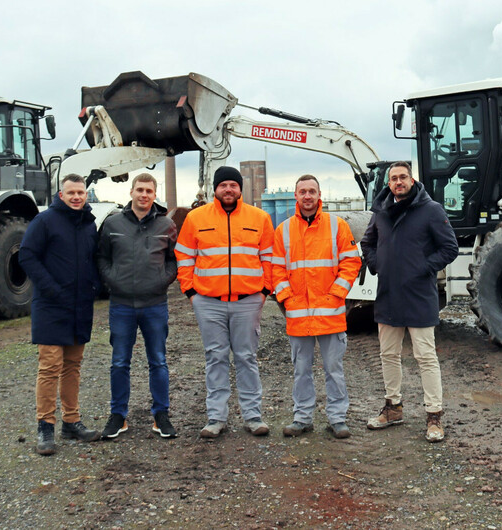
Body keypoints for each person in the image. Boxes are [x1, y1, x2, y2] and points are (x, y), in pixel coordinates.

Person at [360, 161, 458, 442]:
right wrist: (379, 265)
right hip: (389, 294)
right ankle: (393, 408)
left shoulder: (431, 210)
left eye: (403, 177)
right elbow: (368, 243)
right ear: (388, 183)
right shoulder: (380, 211)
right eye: (393, 178)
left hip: (419, 295)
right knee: (388, 355)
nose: (398, 182)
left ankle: (434, 416)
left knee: (425, 357)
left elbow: (449, 247)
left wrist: (424, 268)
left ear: (412, 180)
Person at [175, 166, 275, 439]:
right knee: (215, 357)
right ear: (215, 189)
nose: (228, 189)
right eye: (223, 185)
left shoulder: (260, 218)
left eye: (233, 184)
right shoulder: (196, 218)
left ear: (240, 189)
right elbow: (184, 256)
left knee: (246, 357)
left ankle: (253, 417)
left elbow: (269, 258)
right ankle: (216, 417)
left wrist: (264, 291)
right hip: (208, 302)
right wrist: (191, 292)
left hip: (248, 301)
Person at [272, 175, 361, 439]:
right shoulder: (283, 230)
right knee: (301, 371)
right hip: (298, 315)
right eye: (303, 192)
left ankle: (337, 418)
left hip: (330, 313)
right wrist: (287, 298)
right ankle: (302, 418)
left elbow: (351, 263)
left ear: (319, 194)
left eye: (312, 191)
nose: (307, 196)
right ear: (295, 196)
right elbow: (275, 269)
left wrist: (336, 294)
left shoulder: (338, 226)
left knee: (334, 369)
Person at [19, 173, 102, 455]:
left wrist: (95, 286)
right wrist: (51, 289)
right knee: (50, 366)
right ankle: (45, 427)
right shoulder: (44, 221)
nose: (77, 197)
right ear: (61, 195)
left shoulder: (89, 224)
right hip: (51, 305)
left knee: (73, 366)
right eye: (72, 193)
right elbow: (27, 255)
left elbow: (94, 259)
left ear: (86, 195)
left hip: (80, 305)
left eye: (81, 192)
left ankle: (71, 421)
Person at [96, 173, 178, 440]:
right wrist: (113, 282)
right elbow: (102, 258)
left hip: (154, 304)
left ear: (155, 195)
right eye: (140, 190)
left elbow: (173, 261)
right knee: (119, 362)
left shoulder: (166, 225)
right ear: (131, 192)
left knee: (158, 361)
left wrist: (161, 282)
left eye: (149, 191)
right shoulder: (112, 224)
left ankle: (161, 415)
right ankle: (118, 416)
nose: (144, 195)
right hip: (121, 305)